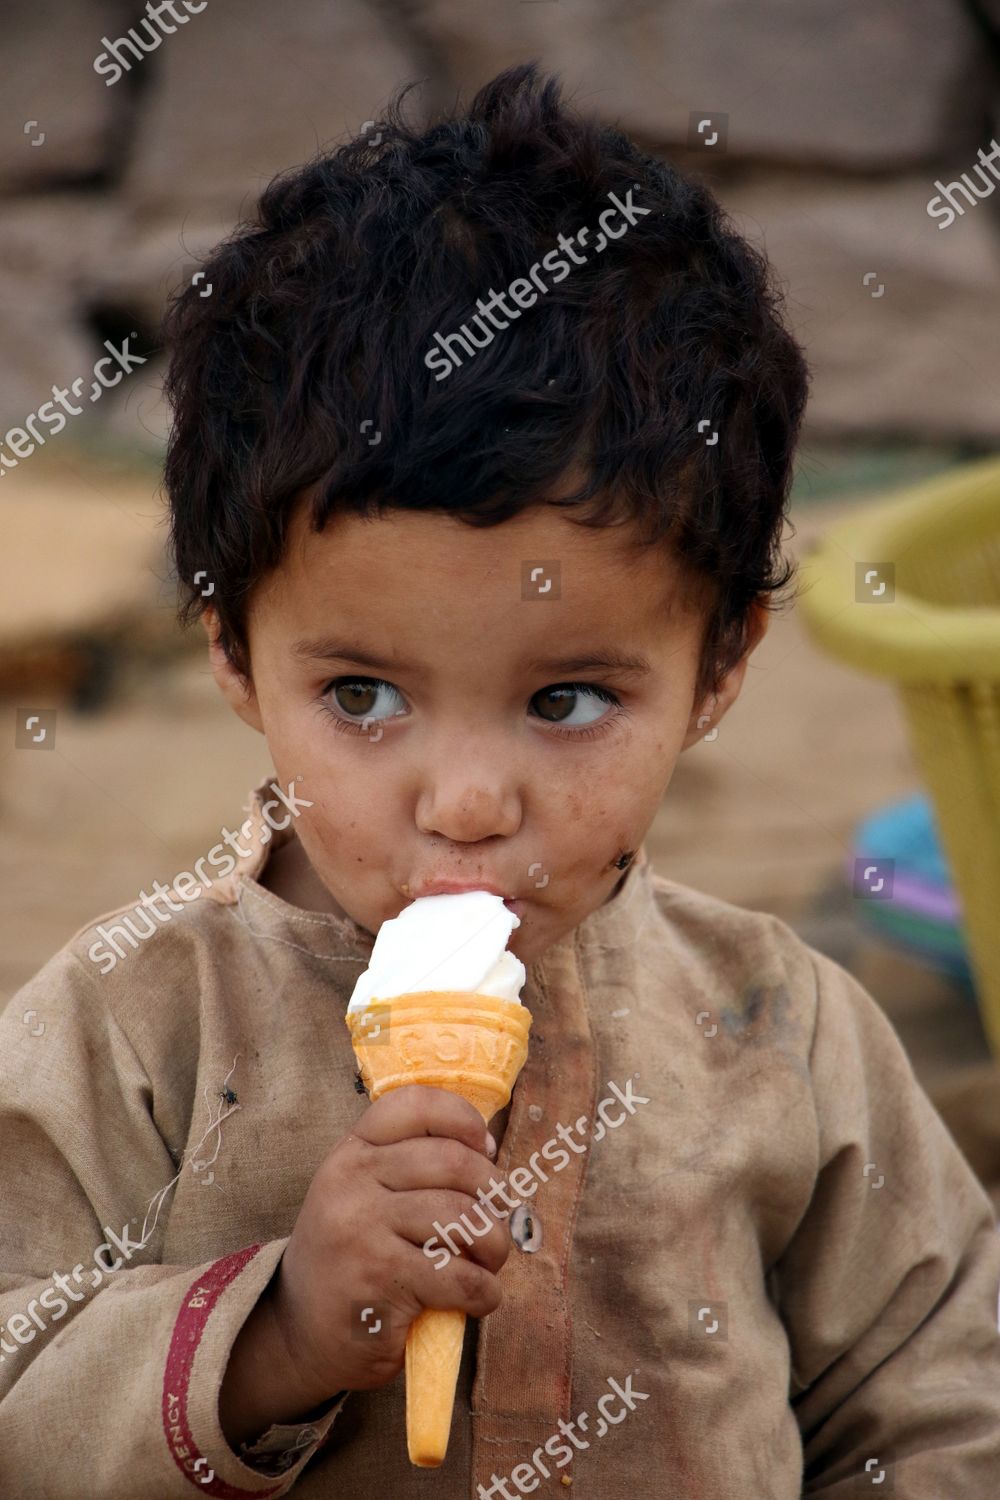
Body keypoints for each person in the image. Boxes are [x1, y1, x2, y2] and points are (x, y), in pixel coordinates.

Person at [2, 62, 998, 1498]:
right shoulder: (129, 1031)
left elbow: (942, 1383)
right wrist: (273, 1332)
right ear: (229, 648)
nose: (465, 801)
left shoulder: (783, 1028)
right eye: (362, 696)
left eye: (568, 699)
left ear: (720, 668)